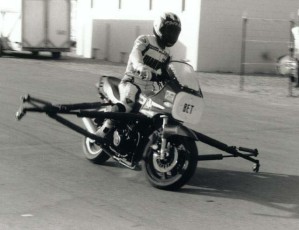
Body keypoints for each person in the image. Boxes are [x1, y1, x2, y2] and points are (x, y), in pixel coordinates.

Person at [97, 12, 182, 138]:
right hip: (132, 81)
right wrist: (140, 66)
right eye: (169, 31)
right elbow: (135, 54)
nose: (171, 35)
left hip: (149, 89)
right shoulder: (145, 40)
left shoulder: (167, 53)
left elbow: (167, 72)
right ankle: (102, 132)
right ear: (159, 27)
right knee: (128, 104)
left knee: (158, 111)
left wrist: (179, 83)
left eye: (174, 32)